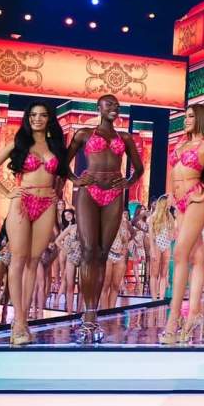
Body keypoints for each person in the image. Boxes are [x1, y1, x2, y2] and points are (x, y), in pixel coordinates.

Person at [0, 101, 67, 343]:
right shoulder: (19, 143)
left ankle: (23, 320)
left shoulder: (56, 146)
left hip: (46, 204)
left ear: (49, 119)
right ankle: (18, 321)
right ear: (28, 118)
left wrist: (57, 192)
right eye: (33, 115)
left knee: (33, 261)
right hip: (22, 201)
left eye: (42, 115)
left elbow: (62, 174)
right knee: (18, 260)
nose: (37, 119)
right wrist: (8, 192)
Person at [65, 95, 144, 342]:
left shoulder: (125, 138)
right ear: (98, 108)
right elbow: (62, 164)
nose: (114, 108)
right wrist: (76, 180)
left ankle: (92, 313)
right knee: (89, 250)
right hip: (89, 191)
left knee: (102, 254)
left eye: (117, 105)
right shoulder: (84, 134)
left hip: (114, 194)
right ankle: (87, 314)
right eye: (109, 104)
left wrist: (128, 182)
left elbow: (139, 168)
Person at [159, 104, 204, 344]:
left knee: (179, 253)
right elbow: (174, 172)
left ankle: (173, 318)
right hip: (180, 202)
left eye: (191, 116)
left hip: (196, 199)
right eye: (185, 116)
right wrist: (171, 195)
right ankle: (194, 315)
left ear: (201, 118)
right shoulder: (181, 143)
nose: (186, 120)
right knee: (197, 257)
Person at [147, 196, 174, 300]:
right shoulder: (153, 217)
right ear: (163, 204)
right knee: (154, 273)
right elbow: (151, 236)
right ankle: (154, 298)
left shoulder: (169, 217)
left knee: (163, 274)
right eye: (168, 203)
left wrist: (171, 234)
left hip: (166, 245)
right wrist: (152, 250)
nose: (169, 205)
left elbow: (172, 232)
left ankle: (161, 298)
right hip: (156, 245)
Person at [54, 209, 81, 312]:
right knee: (70, 284)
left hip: (83, 257)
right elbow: (57, 241)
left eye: (69, 214)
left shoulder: (86, 228)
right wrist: (66, 250)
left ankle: (79, 311)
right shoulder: (70, 227)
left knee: (82, 287)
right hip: (71, 257)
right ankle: (69, 312)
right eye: (66, 215)